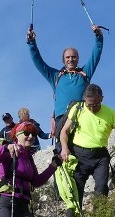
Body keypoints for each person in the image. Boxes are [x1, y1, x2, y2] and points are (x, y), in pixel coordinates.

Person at [27, 24, 103, 152]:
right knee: (63, 149)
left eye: (73, 57)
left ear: (78, 59)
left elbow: (96, 54)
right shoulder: (55, 76)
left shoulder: (85, 73)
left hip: (82, 115)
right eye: (68, 57)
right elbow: (38, 62)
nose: (71, 59)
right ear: (63, 60)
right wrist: (31, 43)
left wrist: (98, 37)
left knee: (82, 147)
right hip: (61, 117)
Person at [60, 84, 115, 217]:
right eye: (89, 105)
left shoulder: (110, 113)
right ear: (85, 100)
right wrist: (64, 148)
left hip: (100, 156)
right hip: (79, 155)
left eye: (95, 104)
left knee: (102, 187)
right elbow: (64, 131)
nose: (92, 108)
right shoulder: (77, 109)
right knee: (76, 191)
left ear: (101, 99)